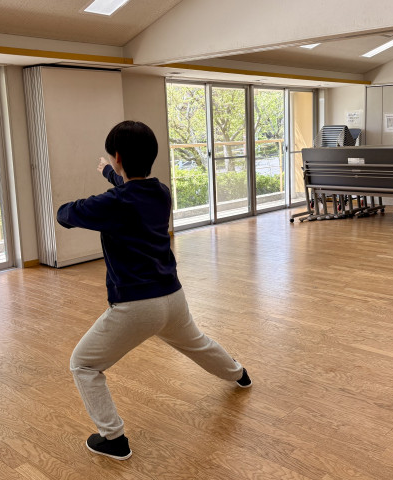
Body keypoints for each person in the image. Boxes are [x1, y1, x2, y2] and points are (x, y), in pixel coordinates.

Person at [57, 121, 251, 461]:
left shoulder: (113, 204)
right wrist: (110, 173)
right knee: (197, 343)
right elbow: (129, 190)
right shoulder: (160, 192)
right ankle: (239, 374)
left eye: (113, 160)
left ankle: (113, 439)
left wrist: (101, 186)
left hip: (136, 307)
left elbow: (65, 215)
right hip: (172, 297)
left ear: (118, 157)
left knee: (83, 365)